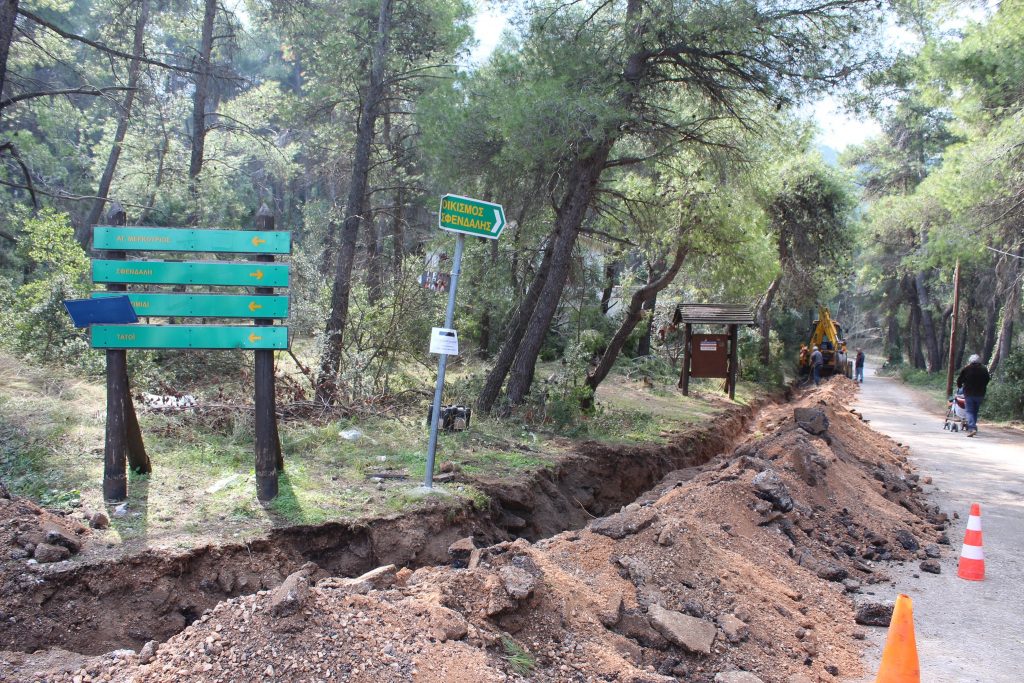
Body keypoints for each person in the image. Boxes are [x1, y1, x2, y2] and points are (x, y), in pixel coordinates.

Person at [956, 354, 991, 437]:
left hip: (969, 393)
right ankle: (973, 426)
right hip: (980, 394)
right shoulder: (984, 369)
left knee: (969, 411)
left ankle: (972, 428)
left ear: (970, 361)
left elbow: (960, 380)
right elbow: (987, 380)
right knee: (975, 411)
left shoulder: (967, 369)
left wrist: (960, 386)